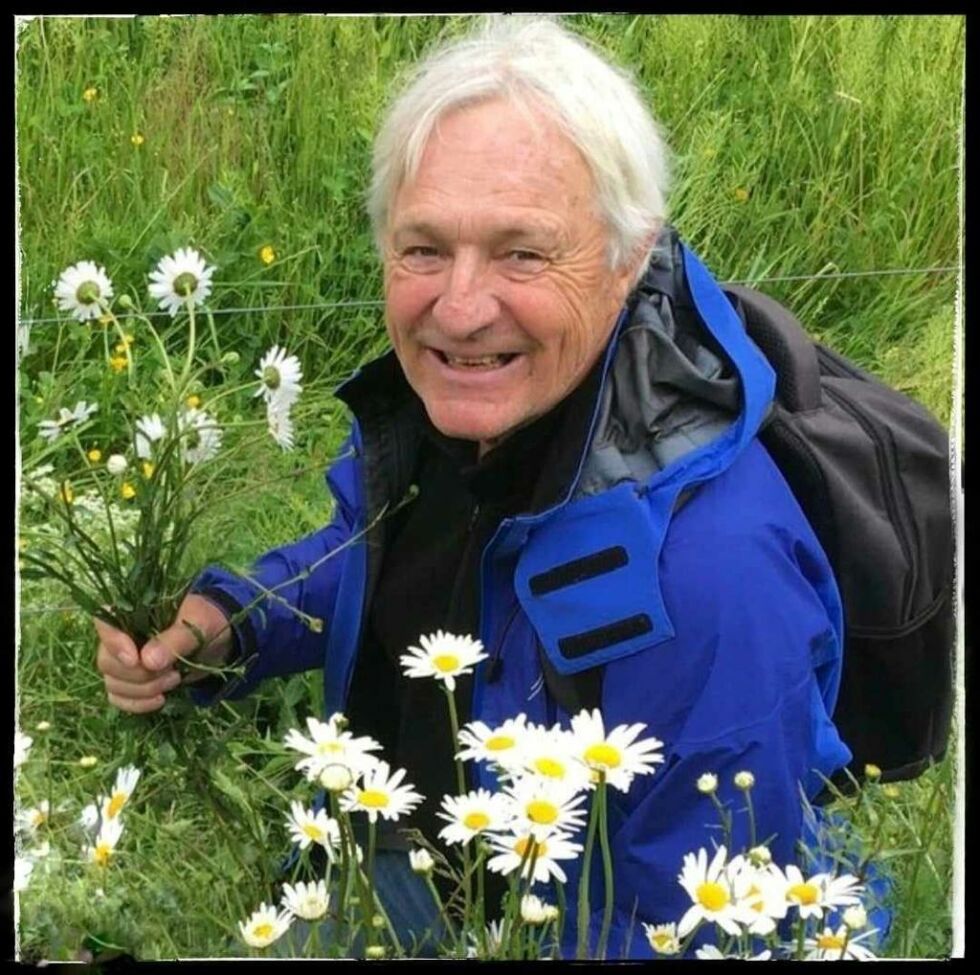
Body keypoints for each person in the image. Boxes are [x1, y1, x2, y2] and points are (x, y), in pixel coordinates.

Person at [94, 15, 853, 959]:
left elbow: (693, 931)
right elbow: (381, 559)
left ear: (629, 257)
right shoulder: (473, 411)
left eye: (521, 252)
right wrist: (234, 619)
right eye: (423, 248)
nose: (457, 308)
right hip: (403, 880)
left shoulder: (709, 578)